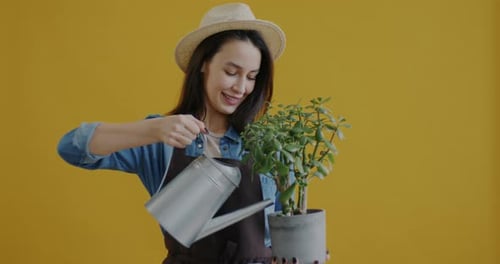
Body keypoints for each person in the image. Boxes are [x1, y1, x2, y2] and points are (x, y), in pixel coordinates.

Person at [57, 3, 290, 264]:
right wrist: (153, 129)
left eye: (251, 77)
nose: (241, 87)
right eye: (231, 72)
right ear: (203, 64)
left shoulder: (268, 146)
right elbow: (71, 148)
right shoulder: (164, 140)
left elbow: (286, 229)